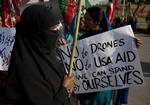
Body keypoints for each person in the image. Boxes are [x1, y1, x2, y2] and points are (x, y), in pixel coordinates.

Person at [5, 3, 74, 105]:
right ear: (36, 33)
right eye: (52, 30)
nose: (55, 34)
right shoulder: (25, 70)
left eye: (57, 28)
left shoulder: (45, 55)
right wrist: (64, 90)